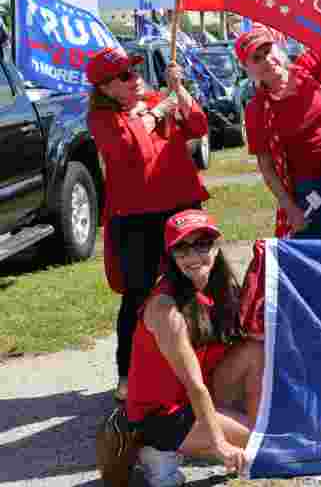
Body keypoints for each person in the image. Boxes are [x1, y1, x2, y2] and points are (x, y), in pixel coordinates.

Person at [96, 210, 264, 487]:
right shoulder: (165, 308)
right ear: (170, 255)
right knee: (258, 438)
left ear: (217, 246)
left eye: (202, 244)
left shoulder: (221, 286)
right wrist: (220, 444)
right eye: (182, 248)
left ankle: (236, 438)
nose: (193, 256)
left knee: (254, 351)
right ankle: (157, 449)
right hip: (161, 414)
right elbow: (194, 384)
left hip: (194, 399)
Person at [87, 47, 210, 404]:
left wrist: (179, 89)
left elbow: (198, 125)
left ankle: (199, 364)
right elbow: (133, 151)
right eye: (125, 75)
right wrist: (157, 113)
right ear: (106, 88)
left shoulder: (161, 99)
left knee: (193, 285)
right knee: (139, 294)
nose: (136, 78)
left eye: (136, 71)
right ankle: (128, 374)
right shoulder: (102, 119)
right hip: (136, 217)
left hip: (179, 208)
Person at [236, 25, 321, 239]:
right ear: (247, 67)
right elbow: (266, 167)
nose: (266, 60)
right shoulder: (256, 109)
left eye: (268, 51)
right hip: (312, 189)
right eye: (256, 58)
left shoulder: (310, 69)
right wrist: (290, 208)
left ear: (279, 48)